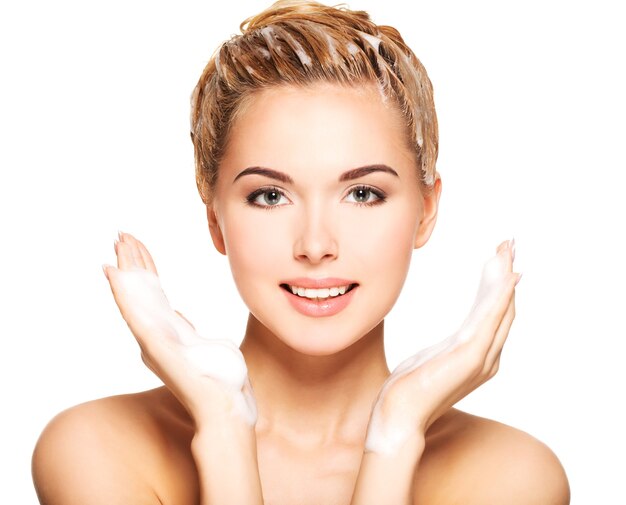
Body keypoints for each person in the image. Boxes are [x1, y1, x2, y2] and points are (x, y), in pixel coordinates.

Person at [31, 1, 570, 503]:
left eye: (363, 194)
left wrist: (396, 432)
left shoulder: (511, 476)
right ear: (214, 216)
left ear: (426, 209)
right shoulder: (96, 449)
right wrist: (222, 428)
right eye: (269, 195)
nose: (315, 245)